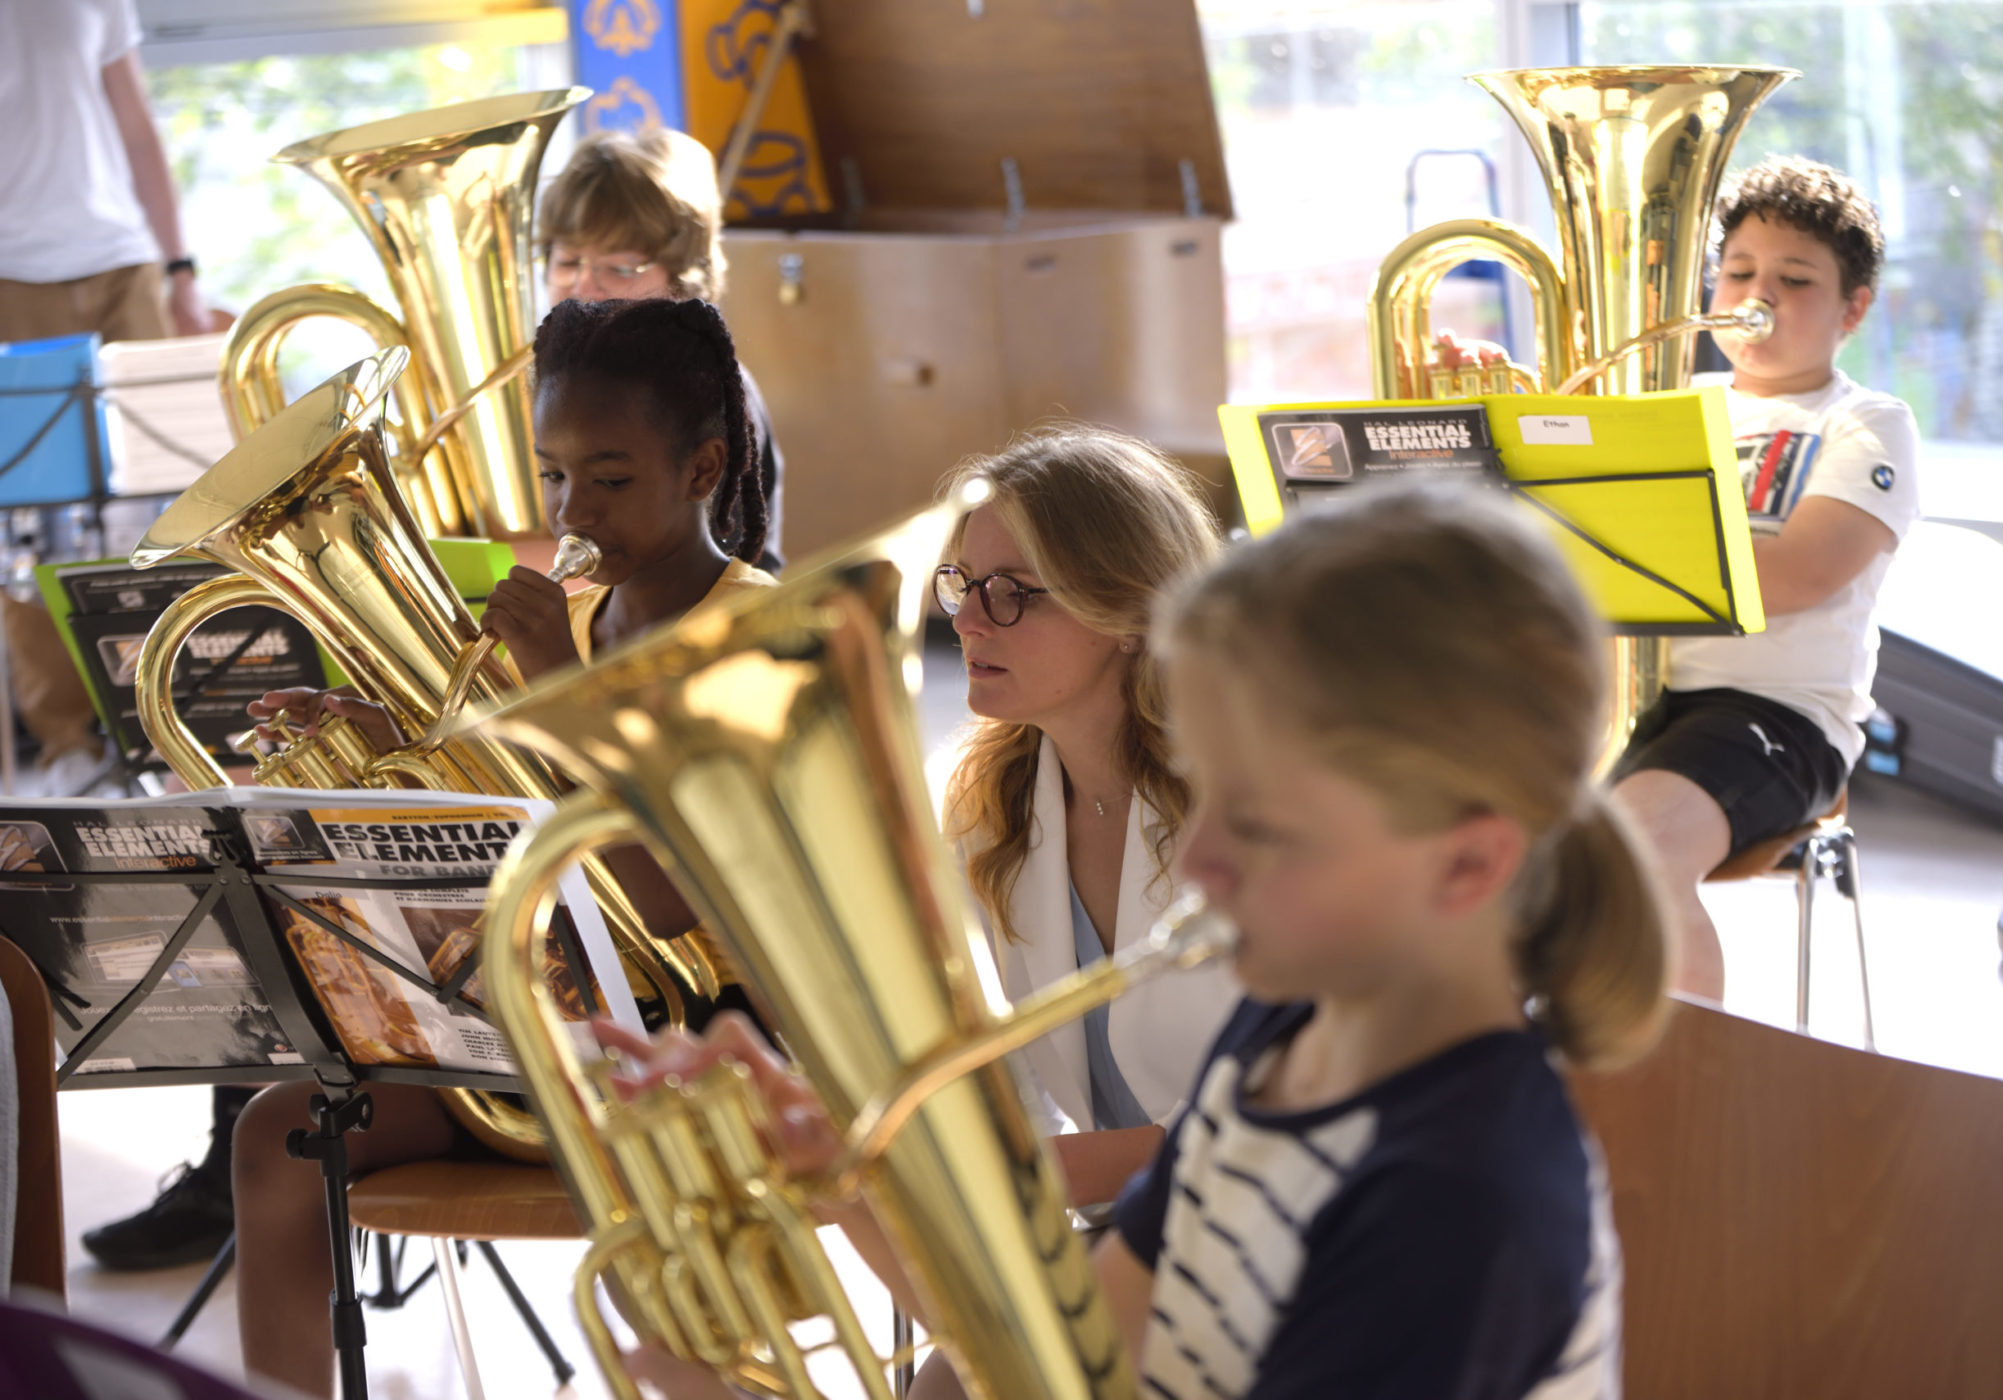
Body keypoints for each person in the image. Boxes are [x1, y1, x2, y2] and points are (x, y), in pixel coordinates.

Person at [612, 480, 1671, 1399]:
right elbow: (1066, 1354)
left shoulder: (1457, 1200)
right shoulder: (1286, 1034)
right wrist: (842, 1175)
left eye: (1258, 823)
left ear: (1465, 864)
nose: (1200, 858)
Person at [228, 295, 776, 1399]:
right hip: (555, 1020)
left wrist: (550, 697)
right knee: (279, 1133)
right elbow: (485, 814)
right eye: (554, 475)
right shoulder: (570, 624)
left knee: (640, 1220)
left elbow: (664, 901)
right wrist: (373, 749)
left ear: (706, 465)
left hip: (707, 1036)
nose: (575, 508)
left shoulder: (759, 633)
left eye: (610, 479)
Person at [4, 0, 231, 1277]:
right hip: (6, 266)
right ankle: (78, 743)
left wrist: (181, 263)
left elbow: (132, 111)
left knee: (167, 527)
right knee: (17, 548)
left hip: (120, 257)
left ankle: (168, 720)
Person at [1611, 155, 1920, 1000]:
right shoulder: (1663, 402)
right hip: (1621, 702)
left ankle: (1688, 1108)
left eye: (1794, 279)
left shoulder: (1864, 423)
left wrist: (1616, 552)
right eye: (1738, 272)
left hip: (1775, 722)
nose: (1758, 295)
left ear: (1851, 309)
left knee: (1631, 854)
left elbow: (1798, 575)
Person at [936, 427, 1240, 1207]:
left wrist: (1018, 1181)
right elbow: (993, 1075)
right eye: (962, 583)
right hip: (1133, 1238)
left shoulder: (1252, 797)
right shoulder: (987, 801)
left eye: (1011, 592)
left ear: (1132, 612)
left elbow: (1283, 1121)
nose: (968, 621)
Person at [537, 125, 787, 571]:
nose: (582, 286)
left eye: (620, 266)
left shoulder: (714, 396)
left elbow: (674, 573)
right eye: (568, 261)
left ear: (683, 277)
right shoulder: (554, 382)